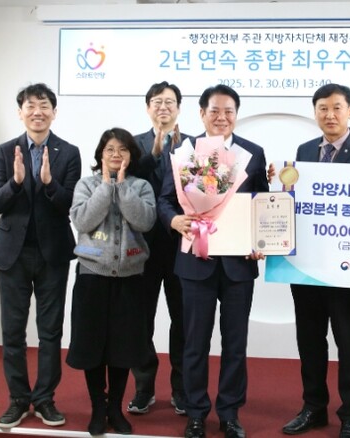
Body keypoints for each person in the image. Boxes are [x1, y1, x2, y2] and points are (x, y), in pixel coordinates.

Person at [158, 84, 269, 438]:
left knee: (235, 343)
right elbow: (165, 200)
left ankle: (230, 413)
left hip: (238, 265)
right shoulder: (184, 151)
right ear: (202, 113)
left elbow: (261, 204)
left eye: (229, 111)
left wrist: (260, 241)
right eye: (215, 111)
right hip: (195, 261)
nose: (222, 117)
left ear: (236, 114)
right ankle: (195, 413)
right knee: (195, 343)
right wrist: (173, 220)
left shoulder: (252, 153)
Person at [282, 84, 350, 438]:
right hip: (307, 265)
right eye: (323, 108)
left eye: (337, 107)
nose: (330, 114)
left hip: (346, 268)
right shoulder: (304, 151)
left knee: (348, 343)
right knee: (310, 341)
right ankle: (313, 407)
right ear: (315, 112)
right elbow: (298, 203)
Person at [0, 83, 81, 429]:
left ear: (54, 113)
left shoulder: (68, 152)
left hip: (52, 254)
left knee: (50, 331)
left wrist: (49, 183)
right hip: (12, 254)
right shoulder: (5, 151)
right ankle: (17, 399)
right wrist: (15, 182)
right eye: (30, 106)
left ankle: (44, 399)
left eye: (44, 106)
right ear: (20, 112)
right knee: (12, 331)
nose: (37, 112)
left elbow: (71, 204)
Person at [67, 128, 157, 436]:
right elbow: (82, 221)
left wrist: (122, 187)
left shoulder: (141, 186)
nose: (116, 154)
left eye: (123, 149)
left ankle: (115, 408)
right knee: (93, 347)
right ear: (100, 155)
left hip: (130, 279)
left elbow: (144, 221)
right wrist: (106, 187)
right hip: (92, 276)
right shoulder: (86, 185)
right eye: (109, 150)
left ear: (131, 155)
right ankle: (97, 408)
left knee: (123, 348)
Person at [128, 81, 191, 416]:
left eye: (169, 102)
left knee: (183, 320)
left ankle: (181, 388)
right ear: (147, 107)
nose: (163, 107)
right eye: (157, 101)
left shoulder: (194, 145)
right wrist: (153, 154)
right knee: (141, 320)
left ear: (179, 107)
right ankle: (144, 387)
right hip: (143, 245)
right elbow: (127, 181)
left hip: (183, 244)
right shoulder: (132, 144)